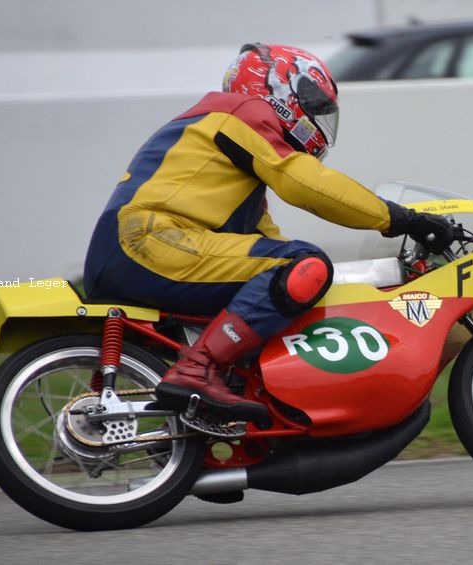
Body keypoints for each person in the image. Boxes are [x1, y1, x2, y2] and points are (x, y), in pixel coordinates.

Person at [83, 43, 450, 423]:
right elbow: (306, 184)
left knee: (291, 272)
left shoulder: (224, 148)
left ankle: (207, 432)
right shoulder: (240, 113)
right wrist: (402, 220)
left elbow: (270, 245)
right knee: (303, 263)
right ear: (278, 90)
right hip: (149, 242)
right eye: (315, 103)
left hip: (143, 245)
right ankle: (198, 370)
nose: (319, 117)